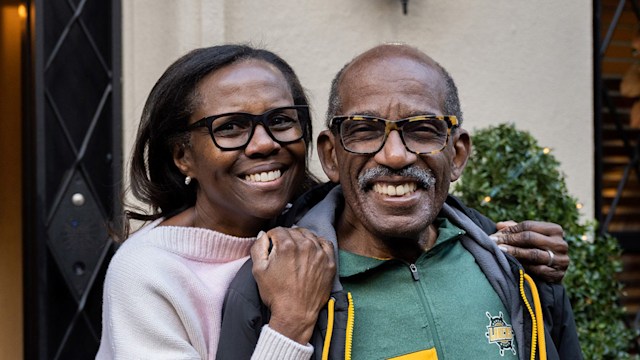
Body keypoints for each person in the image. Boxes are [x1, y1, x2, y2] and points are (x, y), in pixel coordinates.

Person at [217, 44, 581, 359]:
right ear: (331, 156)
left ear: (456, 154)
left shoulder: (521, 272)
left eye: (422, 129)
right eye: (364, 129)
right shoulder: (269, 287)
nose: (394, 156)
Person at [96, 45, 336, 359]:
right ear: (183, 156)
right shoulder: (147, 271)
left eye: (280, 120)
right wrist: (290, 323)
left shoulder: (321, 232)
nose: (264, 143)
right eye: (230, 127)